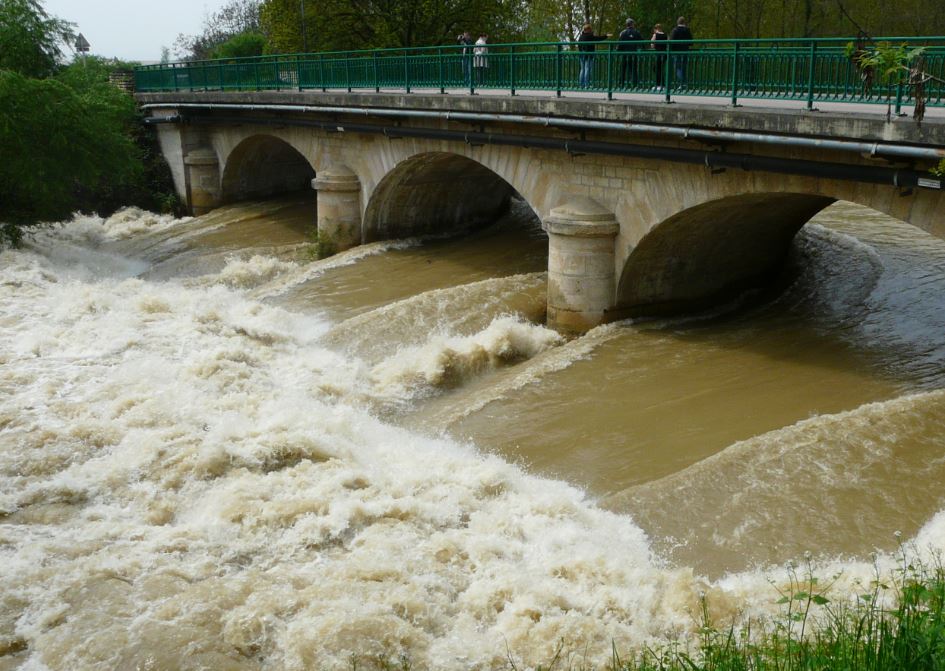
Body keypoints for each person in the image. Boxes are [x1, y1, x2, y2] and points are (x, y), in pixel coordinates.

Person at [577, 23, 611, 89]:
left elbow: (579, 46)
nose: (591, 31)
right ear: (588, 30)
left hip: (581, 55)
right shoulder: (590, 36)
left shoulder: (581, 37)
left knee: (582, 69)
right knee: (587, 69)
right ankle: (587, 85)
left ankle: (581, 84)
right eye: (590, 29)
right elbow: (598, 38)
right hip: (589, 55)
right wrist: (606, 36)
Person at [617, 18, 643, 88]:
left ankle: (621, 84)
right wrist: (643, 50)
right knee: (633, 70)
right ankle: (634, 85)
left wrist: (618, 52)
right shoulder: (636, 32)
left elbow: (619, 44)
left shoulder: (623, 33)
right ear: (632, 24)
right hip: (633, 54)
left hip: (624, 54)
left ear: (626, 24)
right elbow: (642, 42)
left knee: (623, 69)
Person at [669, 16, 693, 87]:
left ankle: (682, 83)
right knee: (684, 67)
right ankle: (684, 83)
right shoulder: (687, 30)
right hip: (685, 51)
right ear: (684, 22)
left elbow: (671, 42)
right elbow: (691, 42)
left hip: (676, 52)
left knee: (678, 67)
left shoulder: (675, 30)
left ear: (677, 22)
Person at [651, 23, 667, 90]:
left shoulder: (655, 35)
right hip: (664, 54)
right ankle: (662, 84)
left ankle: (658, 84)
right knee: (660, 69)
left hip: (658, 54)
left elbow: (652, 44)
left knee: (656, 68)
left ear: (656, 29)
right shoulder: (665, 35)